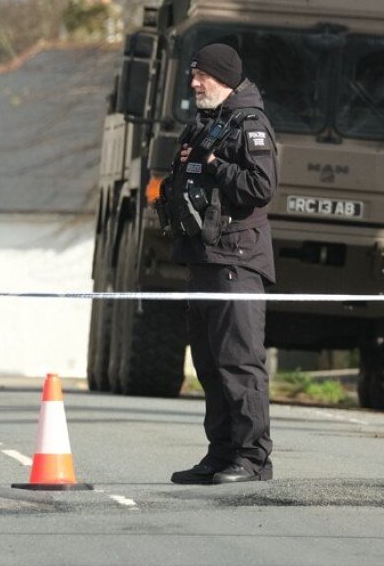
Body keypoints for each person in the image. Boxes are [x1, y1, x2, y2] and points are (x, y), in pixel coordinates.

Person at [163, 43, 278, 485]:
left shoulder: (251, 125)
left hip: (237, 260)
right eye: (192, 75)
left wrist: (214, 165)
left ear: (224, 77)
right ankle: (222, 453)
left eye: (201, 77)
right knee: (209, 365)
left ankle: (252, 459)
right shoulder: (204, 125)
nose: (193, 84)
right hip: (203, 259)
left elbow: (260, 187)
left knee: (239, 364)